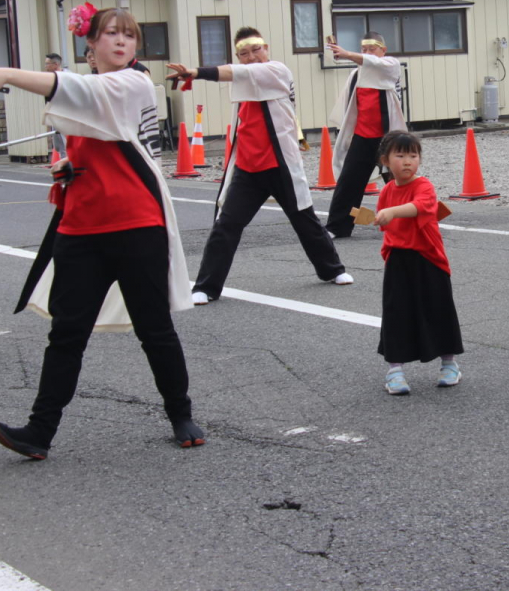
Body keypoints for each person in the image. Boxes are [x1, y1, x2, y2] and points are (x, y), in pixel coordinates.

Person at [0, 5, 203, 459]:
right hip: (81, 227)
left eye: (129, 35)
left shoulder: (132, 82)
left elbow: (79, 91)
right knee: (67, 334)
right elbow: (94, 127)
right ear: (90, 45)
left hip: (136, 223)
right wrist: (71, 165)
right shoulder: (85, 91)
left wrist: (7, 72)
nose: (121, 42)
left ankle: (180, 412)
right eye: (110, 33)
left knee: (155, 329)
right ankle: (39, 431)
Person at [166, 27, 353, 307]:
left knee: (304, 219)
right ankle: (207, 285)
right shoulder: (241, 84)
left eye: (256, 50)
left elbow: (240, 73)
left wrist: (196, 72)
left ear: (266, 49)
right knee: (226, 225)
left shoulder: (276, 71)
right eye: (244, 53)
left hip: (280, 163)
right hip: (248, 168)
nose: (252, 57)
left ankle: (332, 269)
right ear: (238, 57)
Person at [372, 131, 462, 395]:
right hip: (398, 259)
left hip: (428, 257)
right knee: (396, 313)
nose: (408, 161)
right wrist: (382, 216)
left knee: (439, 309)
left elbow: (420, 207)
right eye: (400, 155)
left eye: (413, 155)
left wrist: (390, 212)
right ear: (385, 160)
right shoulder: (387, 190)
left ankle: (450, 364)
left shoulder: (424, 186)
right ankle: (395, 371)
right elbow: (385, 225)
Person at [324, 32, 406, 238]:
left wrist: (348, 54)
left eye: (373, 48)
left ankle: (412, 221)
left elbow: (374, 65)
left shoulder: (390, 66)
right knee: (348, 182)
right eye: (365, 49)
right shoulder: (356, 74)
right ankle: (337, 227)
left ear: (383, 51)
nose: (368, 53)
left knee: (401, 180)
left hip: (388, 137)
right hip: (362, 136)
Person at [43, 54, 67, 159]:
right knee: (58, 146)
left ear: (55, 64)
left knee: (66, 146)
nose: (45, 66)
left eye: (47, 64)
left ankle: (68, 167)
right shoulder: (49, 79)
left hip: (66, 116)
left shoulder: (67, 77)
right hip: (55, 116)